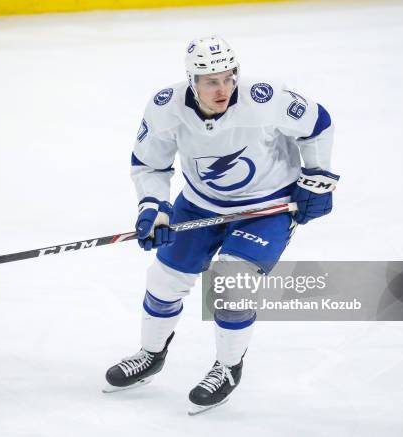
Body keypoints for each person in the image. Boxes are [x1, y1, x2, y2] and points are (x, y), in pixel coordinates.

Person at [103, 36, 339, 415]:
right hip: (198, 204)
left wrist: (318, 178)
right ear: (192, 81)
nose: (223, 88)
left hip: (268, 207)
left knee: (231, 283)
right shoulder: (165, 107)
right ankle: (151, 354)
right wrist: (154, 206)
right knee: (164, 279)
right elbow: (149, 164)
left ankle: (228, 368)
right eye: (211, 81)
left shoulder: (265, 97)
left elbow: (318, 123)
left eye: (229, 78)